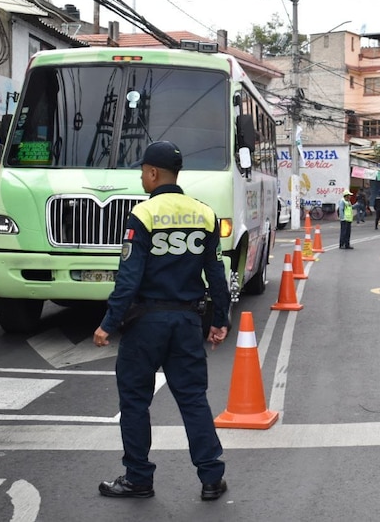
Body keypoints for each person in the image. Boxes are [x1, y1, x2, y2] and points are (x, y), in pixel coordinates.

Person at [93, 141, 231, 501]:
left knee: (135, 401)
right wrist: (220, 319)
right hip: (187, 322)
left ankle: (138, 478)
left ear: (153, 173)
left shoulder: (143, 214)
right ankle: (211, 478)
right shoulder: (205, 214)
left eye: (142, 171)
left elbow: (129, 278)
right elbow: (217, 272)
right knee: (193, 399)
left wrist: (108, 323)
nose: (142, 176)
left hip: (146, 323)